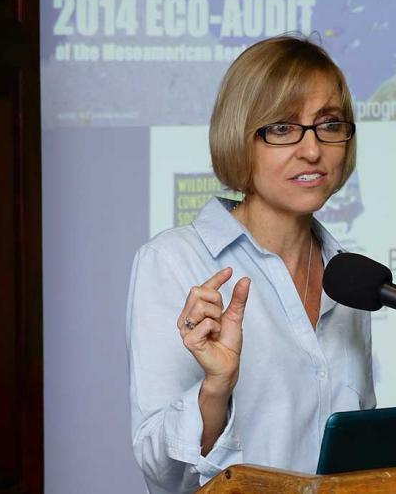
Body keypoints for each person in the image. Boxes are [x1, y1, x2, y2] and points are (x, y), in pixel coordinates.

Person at [126, 35, 375, 494]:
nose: (313, 150)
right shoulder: (175, 262)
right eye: (282, 128)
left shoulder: (349, 277)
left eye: (329, 124)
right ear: (241, 137)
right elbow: (162, 476)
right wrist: (216, 388)